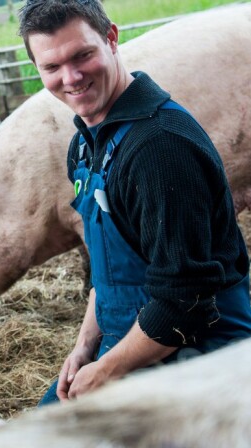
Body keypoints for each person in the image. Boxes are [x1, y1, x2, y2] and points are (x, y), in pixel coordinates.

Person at [16, 0, 251, 405]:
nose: (70, 78)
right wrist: (85, 346)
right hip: (133, 341)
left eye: (82, 56)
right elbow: (109, 264)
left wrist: (107, 370)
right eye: (51, 67)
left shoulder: (159, 148)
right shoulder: (86, 145)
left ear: (111, 38)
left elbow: (185, 302)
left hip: (202, 352)